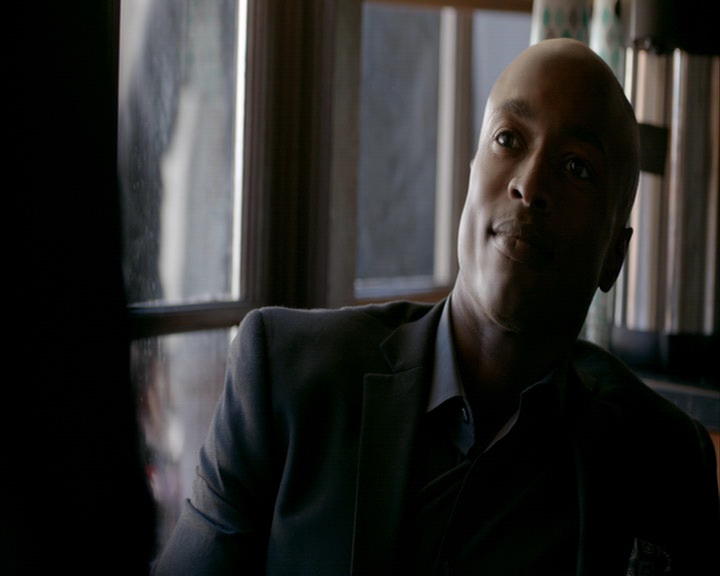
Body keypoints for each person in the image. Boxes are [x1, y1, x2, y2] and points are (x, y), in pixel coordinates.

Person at [153, 38, 720, 575]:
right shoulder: (285, 378)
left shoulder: (662, 460)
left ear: (614, 257)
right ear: (470, 178)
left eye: (576, 167)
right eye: (509, 139)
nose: (530, 185)